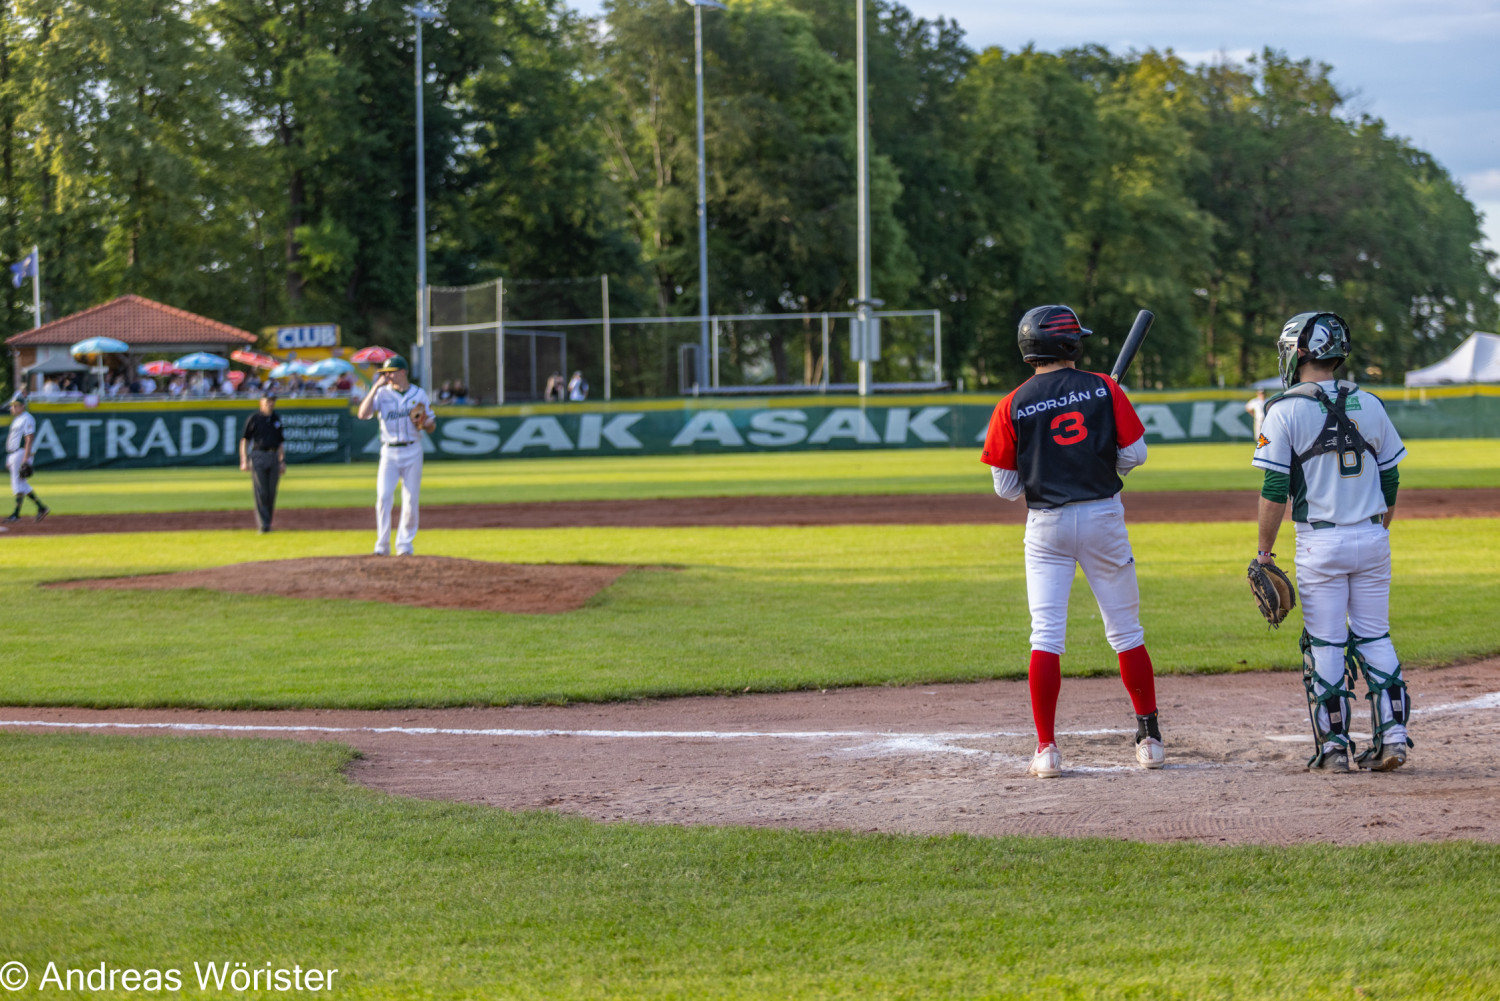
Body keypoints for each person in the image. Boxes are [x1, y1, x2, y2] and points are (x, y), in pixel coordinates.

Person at [980, 305, 1162, 778]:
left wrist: (1047, 468)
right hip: (1103, 517)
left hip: (1046, 526)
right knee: (1126, 632)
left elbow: (1005, 488)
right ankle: (1151, 739)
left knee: (1046, 636)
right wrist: (1099, 462)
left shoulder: (1012, 403)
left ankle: (1047, 750)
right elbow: (1136, 454)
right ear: (1069, 345)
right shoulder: (1104, 387)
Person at [1252, 311, 1410, 772]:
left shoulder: (1283, 409)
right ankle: (1393, 739)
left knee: (1325, 643)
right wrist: (1380, 530)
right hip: (1372, 535)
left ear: (1300, 352)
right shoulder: (1371, 403)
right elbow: (1392, 477)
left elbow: (1275, 491)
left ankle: (1335, 748)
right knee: (1374, 634)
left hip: (1320, 542)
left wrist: (1264, 552)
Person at [357, 355, 435, 556]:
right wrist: (374, 387)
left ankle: (405, 545)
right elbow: (363, 414)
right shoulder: (381, 393)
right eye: (385, 373)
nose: (387, 376)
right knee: (383, 497)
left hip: (412, 449)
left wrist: (425, 423)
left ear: (403, 372)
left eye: (390, 372)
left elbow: (432, 425)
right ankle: (382, 545)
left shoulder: (418, 394)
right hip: (389, 451)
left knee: (410, 499)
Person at [239, 387, 286, 534]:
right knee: (261, 492)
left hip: (273, 456)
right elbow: (245, 440)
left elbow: (280, 442)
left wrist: (282, 460)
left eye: (272, 401)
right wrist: (244, 460)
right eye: (268, 401)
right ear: (261, 402)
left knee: (271, 492)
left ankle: (268, 523)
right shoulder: (254, 419)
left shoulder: (276, 419)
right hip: (258, 455)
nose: (270, 404)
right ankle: (263, 525)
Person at [5, 395, 49, 523]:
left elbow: (29, 438)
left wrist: (25, 459)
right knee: (22, 484)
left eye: (15, 405)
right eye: (12, 406)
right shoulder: (17, 419)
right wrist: (10, 458)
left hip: (20, 453)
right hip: (14, 453)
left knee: (18, 484)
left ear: (22, 406)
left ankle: (16, 514)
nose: (12, 408)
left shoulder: (27, 418)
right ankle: (41, 508)